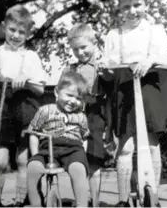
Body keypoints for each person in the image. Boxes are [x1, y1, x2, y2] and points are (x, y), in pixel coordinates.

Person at [104, 0, 167, 206]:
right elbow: (109, 66)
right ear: (120, 9)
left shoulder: (155, 31)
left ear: (146, 4)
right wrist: (105, 68)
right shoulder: (114, 34)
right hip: (124, 89)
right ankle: (124, 199)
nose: (132, 11)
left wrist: (150, 60)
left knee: (151, 144)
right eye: (126, 7)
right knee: (125, 146)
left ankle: (153, 194)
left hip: (148, 90)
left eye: (137, 5)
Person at [0, 4, 46, 206]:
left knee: (24, 159)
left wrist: (26, 79)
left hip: (25, 107)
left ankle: (20, 200)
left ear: (28, 34)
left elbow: (40, 89)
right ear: (3, 26)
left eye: (22, 32)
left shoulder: (30, 57)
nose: (16, 35)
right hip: (2, 109)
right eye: (12, 30)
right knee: (0, 161)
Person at [61, 23, 113, 207]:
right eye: (75, 49)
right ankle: (80, 201)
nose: (80, 53)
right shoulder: (71, 68)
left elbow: (110, 96)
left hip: (95, 116)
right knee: (77, 162)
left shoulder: (103, 66)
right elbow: (62, 92)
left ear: (94, 44)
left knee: (94, 162)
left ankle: (96, 202)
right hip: (75, 117)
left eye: (83, 48)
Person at [27, 71, 90, 207]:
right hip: (47, 149)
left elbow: (84, 137)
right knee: (33, 168)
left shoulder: (81, 116)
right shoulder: (45, 110)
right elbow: (33, 133)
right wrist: (35, 155)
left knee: (78, 169)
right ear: (56, 92)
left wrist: (82, 155)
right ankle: (36, 204)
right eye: (69, 95)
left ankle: (82, 205)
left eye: (78, 98)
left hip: (73, 149)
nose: (73, 101)